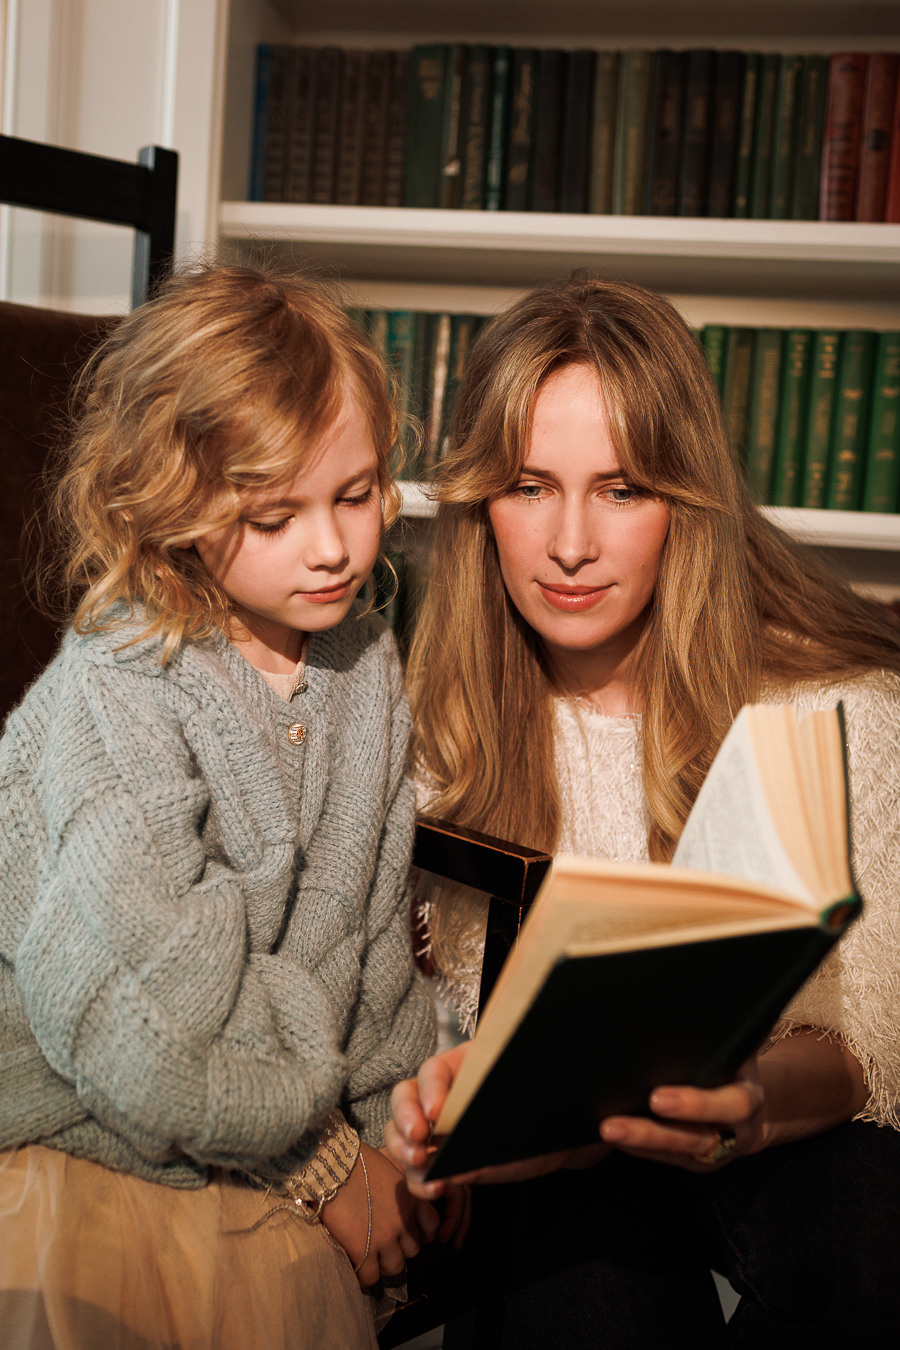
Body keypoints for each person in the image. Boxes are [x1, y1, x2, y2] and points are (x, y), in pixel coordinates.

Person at [385, 276, 900, 1346]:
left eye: (622, 489)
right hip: (548, 1167)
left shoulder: (835, 705)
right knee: (584, 1290)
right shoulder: (437, 727)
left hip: (778, 1125)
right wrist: (432, 1104)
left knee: (867, 1231)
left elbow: (870, 1043)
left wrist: (749, 1103)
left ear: (686, 504)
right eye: (530, 486)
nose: (570, 543)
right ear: (481, 505)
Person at [0, 263, 454, 1350]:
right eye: (274, 515)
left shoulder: (363, 661)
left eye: (355, 495)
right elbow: (148, 1029)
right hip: (98, 1120)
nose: (332, 547)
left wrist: (396, 1133)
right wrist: (328, 1167)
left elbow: (369, 941)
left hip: (276, 1106)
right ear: (175, 507)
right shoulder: (124, 681)